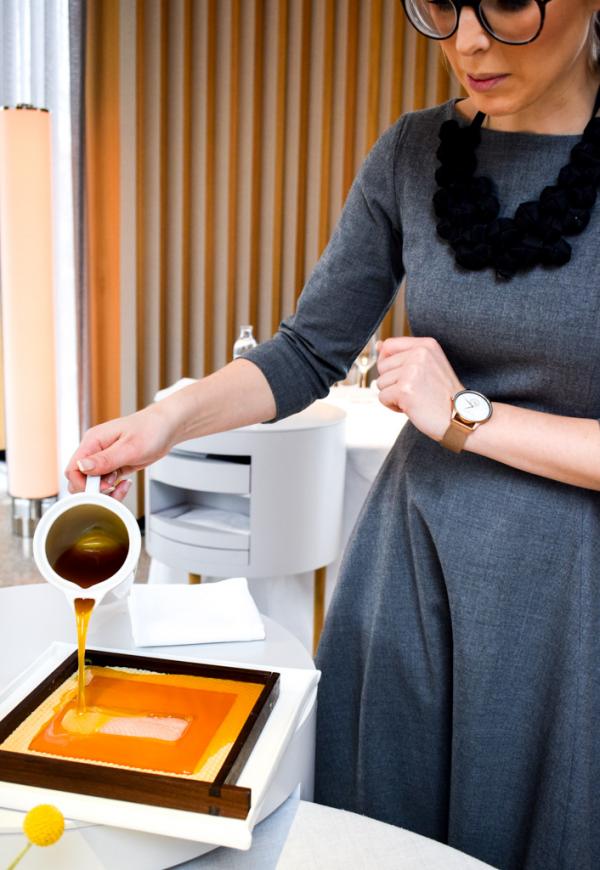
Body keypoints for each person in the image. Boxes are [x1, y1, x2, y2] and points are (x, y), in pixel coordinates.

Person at [67, 2, 600, 866]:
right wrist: (159, 423)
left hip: (572, 590)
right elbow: (307, 350)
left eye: (506, 2)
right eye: (442, 5)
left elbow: (458, 412)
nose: (467, 41)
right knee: (380, 838)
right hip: (413, 567)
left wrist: (468, 417)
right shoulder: (413, 152)